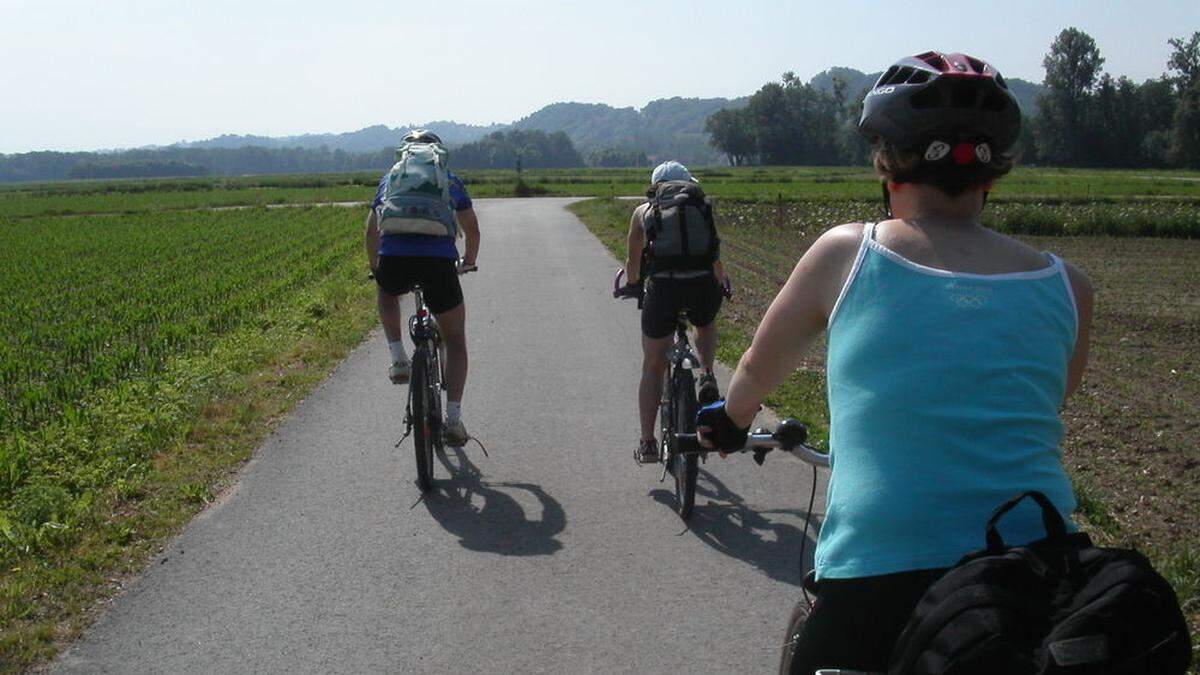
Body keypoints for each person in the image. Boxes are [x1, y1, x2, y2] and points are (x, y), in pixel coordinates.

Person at [695, 52, 1094, 673]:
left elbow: (755, 368)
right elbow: (1047, 403)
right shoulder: (1068, 285)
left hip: (883, 576)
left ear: (887, 164)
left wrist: (730, 421)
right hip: (1042, 573)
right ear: (993, 173)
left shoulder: (849, 253)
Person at [365, 129, 480, 446]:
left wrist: (377, 267)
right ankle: (454, 420)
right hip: (438, 265)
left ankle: (398, 357)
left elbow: (372, 230)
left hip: (395, 261)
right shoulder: (449, 179)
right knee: (455, 337)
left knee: (386, 292)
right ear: (438, 154)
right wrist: (468, 261)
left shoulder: (390, 179)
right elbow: (472, 230)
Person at [623, 161, 730, 463]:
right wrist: (719, 282)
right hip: (701, 285)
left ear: (655, 186)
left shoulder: (643, 212)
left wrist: (632, 283)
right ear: (687, 184)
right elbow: (714, 257)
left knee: (653, 364)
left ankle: (647, 443)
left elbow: (633, 266)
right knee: (705, 323)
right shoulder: (700, 206)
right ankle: (707, 373)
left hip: (664, 290)